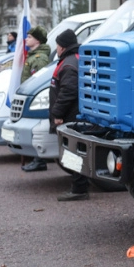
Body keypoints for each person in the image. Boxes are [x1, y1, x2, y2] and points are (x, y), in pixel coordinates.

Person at [51, 29, 88, 201]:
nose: (56, 48)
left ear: (63, 46)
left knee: (73, 152)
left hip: (71, 117)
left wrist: (57, 113)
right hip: (75, 114)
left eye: (58, 45)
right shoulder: (74, 60)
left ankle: (79, 189)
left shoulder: (68, 64)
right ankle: (79, 186)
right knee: (75, 151)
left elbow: (68, 92)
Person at [21, 26, 52, 172]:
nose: (26, 39)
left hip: (36, 100)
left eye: (30, 37)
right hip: (29, 97)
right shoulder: (33, 56)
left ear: (37, 40)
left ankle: (40, 160)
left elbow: (39, 83)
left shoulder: (40, 59)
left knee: (37, 129)